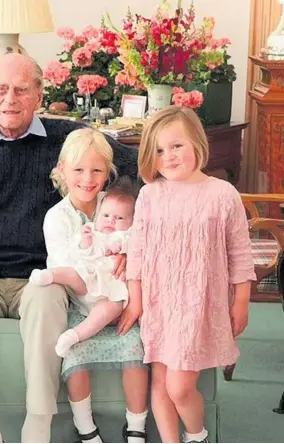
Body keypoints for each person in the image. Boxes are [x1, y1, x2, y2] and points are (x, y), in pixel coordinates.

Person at [0, 53, 139, 443]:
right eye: (2, 90)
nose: (11, 99)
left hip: (40, 277)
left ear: (39, 94)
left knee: (46, 299)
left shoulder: (66, 140)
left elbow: (137, 167)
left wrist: (129, 238)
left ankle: (38, 422)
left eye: (22, 90)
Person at [122, 106, 255, 443]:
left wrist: (242, 301)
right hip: (159, 302)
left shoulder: (222, 194)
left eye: (177, 146)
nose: (169, 156)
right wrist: (136, 301)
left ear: (196, 141)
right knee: (161, 383)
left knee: (180, 387)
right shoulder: (151, 194)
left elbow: (240, 252)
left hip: (197, 306)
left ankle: (196, 436)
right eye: (160, 150)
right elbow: (136, 251)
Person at [39, 128, 149, 443]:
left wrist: (129, 257)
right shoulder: (57, 218)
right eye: (78, 170)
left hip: (120, 298)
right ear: (62, 171)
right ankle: (86, 429)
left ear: (108, 173)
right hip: (82, 302)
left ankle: (136, 427)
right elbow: (69, 269)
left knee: (136, 348)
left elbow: (138, 238)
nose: (88, 178)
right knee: (74, 355)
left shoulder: (114, 203)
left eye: (97, 170)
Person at [31, 174, 138, 358]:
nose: (111, 221)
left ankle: (74, 336)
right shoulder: (92, 231)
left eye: (119, 218)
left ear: (131, 222)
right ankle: (48, 276)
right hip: (87, 280)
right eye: (106, 215)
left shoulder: (128, 235)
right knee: (72, 273)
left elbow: (138, 247)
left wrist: (124, 250)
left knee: (111, 308)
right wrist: (85, 242)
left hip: (111, 290)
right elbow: (79, 254)